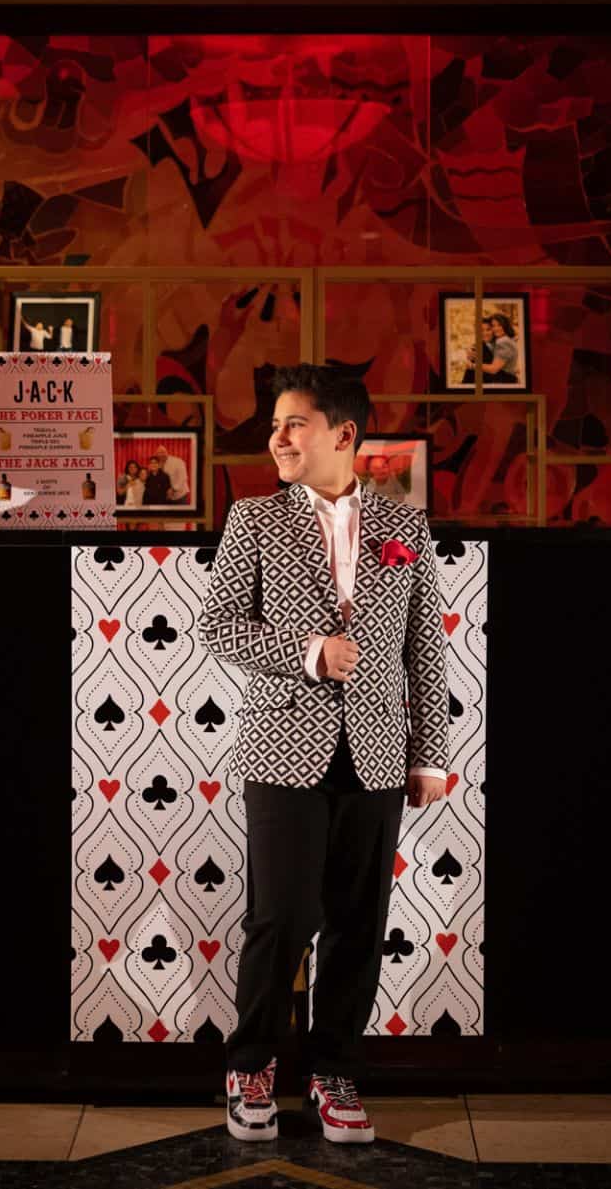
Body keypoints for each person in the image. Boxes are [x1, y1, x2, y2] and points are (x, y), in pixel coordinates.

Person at [200, 363, 450, 1146]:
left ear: (343, 434)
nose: (276, 437)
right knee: (280, 918)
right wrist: (308, 653)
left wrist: (430, 754)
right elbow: (219, 628)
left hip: (376, 752)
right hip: (282, 747)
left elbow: (425, 651)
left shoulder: (403, 526)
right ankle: (251, 1068)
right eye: (275, 424)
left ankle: (334, 1072)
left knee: (357, 921)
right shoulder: (254, 520)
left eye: (292, 423)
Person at [459, 311, 521, 385]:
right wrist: (468, 352)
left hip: (502, 382)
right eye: (481, 330)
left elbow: (495, 368)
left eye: (488, 329)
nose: (485, 333)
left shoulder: (501, 342)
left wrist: (472, 365)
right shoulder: (480, 346)